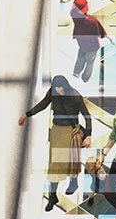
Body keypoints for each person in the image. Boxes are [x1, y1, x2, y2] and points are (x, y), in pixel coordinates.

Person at [18, 74, 91, 210]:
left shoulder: (75, 96)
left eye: (61, 88)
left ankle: (73, 182)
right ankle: (53, 196)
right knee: (55, 164)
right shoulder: (52, 92)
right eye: (56, 88)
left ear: (66, 86)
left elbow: (87, 115)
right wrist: (27, 114)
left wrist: (88, 135)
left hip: (71, 131)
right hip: (57, 131)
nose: (58, 91)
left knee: (72, 159)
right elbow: (43, 104)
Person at [69, 0, 107, 83]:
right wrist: (104, 35)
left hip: (81, 42)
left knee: (80, 57)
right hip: (92, 45)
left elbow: (73, 8)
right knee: (90, 62)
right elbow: (99, 32)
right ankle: (85, 77)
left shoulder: (74, 15)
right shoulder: (92, 20)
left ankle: (76, 72)